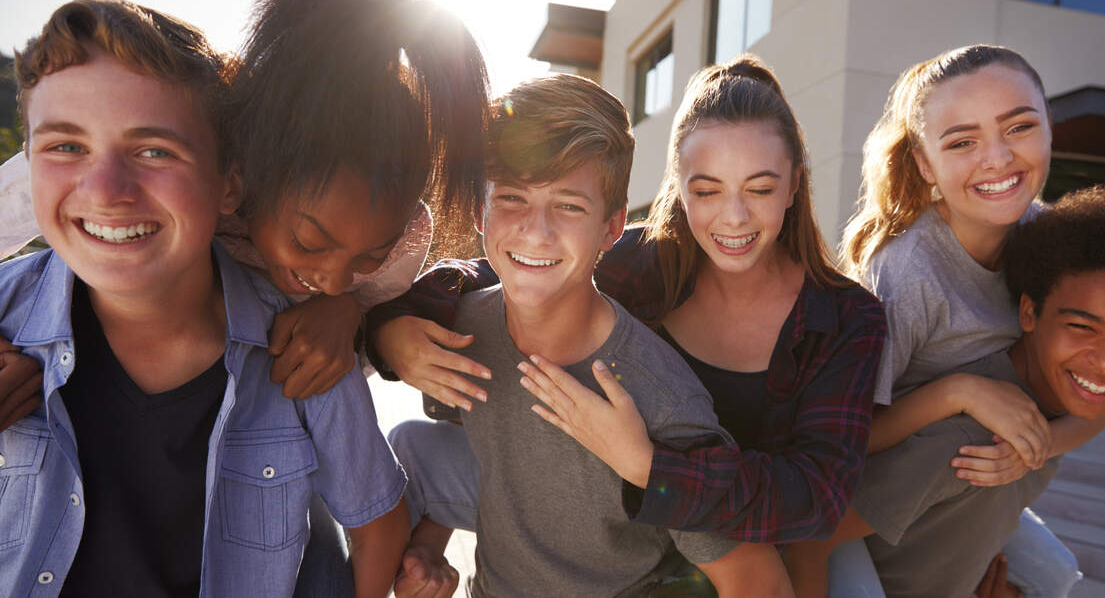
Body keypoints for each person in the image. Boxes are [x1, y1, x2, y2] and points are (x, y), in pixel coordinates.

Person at [367, 56, 887, 591]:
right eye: (707, 190)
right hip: (619, 503)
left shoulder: (844, 319)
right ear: (679, 187)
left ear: (796, 184)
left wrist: (646, 466)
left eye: (759, 188)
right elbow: (502, 274)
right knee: (413, 444)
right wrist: (391, 329)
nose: (733, 217)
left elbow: (816, 499)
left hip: (758, 532)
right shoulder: (640, 259)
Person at [0, 0, 409, 597]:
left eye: (155, 151)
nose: (106, 191)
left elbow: (376, 523)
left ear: (229, 184)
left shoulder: (300, 346)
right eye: (66, 147)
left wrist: (353, 309)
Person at [0, 0, 490, 426]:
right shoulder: (175, 155)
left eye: (368, 258)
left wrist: (348, 313)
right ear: (240, 175)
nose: (339, 279)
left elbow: (353, 325)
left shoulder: (403, 244)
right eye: (309, 243)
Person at [792, 44, 1093, 597]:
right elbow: (843, 444)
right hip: (864, 512)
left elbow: (1096, 402)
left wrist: (1032, 448)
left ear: (1049, 127)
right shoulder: (906, 273)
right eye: (962, 142)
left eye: (1019, 127)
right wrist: (960, 391)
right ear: (925, 163)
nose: (997, 158)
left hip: (974, 489)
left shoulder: (1060, 246)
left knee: (1049, 578)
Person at [831, 186, 1105, 597]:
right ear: (1028, 312)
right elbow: (811, 539)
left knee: (1052, 576)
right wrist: (955, 394)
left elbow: (1095, 417)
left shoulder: (1059, 406)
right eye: (1083, 327)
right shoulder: (969, 443)